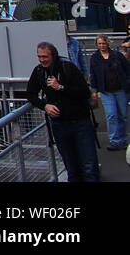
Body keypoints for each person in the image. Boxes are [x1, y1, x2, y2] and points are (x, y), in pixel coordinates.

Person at [25, 41, 99, 182]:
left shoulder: (67, 67)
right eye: (39, 57)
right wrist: (45, 106)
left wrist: (60, 87)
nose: (42, 60)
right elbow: (30, 94)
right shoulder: (39, 71)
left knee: (89, 165)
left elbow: (84, 92)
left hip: (80, 122)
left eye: (45, 57)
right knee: (71, 166)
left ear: (53, 55)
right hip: (59, 124)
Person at [88, 34, 130, 150]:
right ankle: (114, 140)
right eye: (100, 44)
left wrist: (127, 83)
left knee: (123, 115)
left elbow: (127, 69)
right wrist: (94, 91)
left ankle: (123, 139)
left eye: (104, 43)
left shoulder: (117, 55)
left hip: (121, 90)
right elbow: (93, 75)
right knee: (111, 115)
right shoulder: (94, 58)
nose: (102, 45)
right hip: (106, 92)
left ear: (108, 43)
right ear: (97, 45)